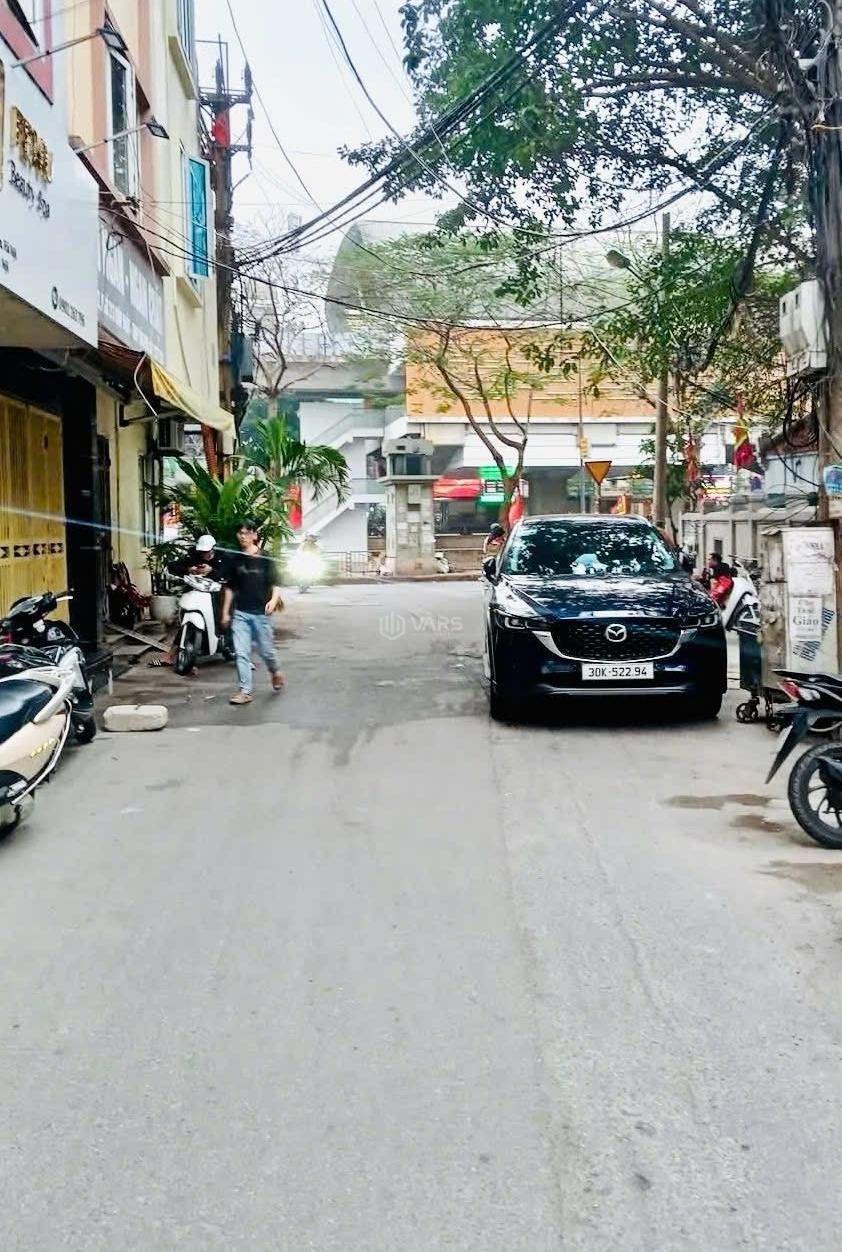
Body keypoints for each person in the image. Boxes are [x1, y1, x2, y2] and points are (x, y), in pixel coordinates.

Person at [221, 520, 285, 705]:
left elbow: (276, 582)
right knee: (241, 652)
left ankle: (275, 671)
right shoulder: (235, 559)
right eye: (240, 533)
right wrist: (225, 612)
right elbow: (230, 588)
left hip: (261, 614)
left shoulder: (265, 558)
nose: (243, 536)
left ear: (254, 535)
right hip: (241, 613)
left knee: (266, 652)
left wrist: (273, 600)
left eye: (247, 533)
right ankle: (245, 691)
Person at [149, 535, 225, 669]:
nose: (203, 554)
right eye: (201, 551)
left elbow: (227, 573)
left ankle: (229, 644)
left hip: (214, 594)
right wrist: (189, 570)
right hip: (193, 593)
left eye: (206, 551)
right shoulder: (192, 556)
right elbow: (173, 566)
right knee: (185, 622)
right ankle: (170, 656)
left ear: (213, 549)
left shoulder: (221, 558)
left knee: (223, 615)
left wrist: (211, 571)